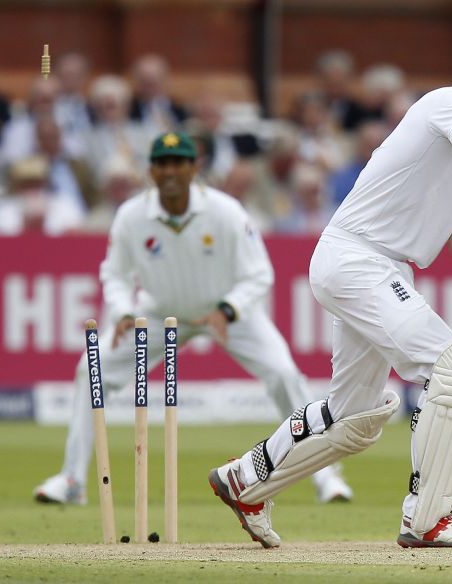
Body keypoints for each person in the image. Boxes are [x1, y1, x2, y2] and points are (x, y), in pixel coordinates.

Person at [206, 38, 452, 549]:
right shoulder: (450, 103)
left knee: (354, 414)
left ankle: (245, 480)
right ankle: (428, 518)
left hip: (378, 267)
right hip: (356, 257)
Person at [33, 131, 354, 506]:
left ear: (194, 167)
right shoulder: (132, 216)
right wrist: (122, 310)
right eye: (162, 164)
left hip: (225, 312)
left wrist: (227, 309)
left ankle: (326, 478)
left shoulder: (225, 211)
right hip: (157, 313)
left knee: (284, 374)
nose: (170, 172)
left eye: (178, 163)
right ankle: (72, 479)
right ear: (150, 170)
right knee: (91, 370)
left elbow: (259, 274)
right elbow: (115, 273)